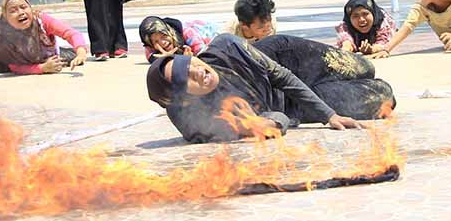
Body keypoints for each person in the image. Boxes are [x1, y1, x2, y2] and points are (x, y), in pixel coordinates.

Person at [146, 34, 395, 143]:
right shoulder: (198, 121)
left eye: (189, 64)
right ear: (185, 100)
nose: (197, 72)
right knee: (384, 95)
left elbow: (282, 76)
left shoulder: (227, 46)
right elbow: (278, 119)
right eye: (186, 78)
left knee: (364, 67)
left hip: (285, 57)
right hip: (288, 103)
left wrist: (329, 115)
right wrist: (262, 126)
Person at [0, 0, 87, 76]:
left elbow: (71, 33)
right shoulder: (1, 36)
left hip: (46, 56)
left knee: (72, 56)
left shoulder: (41, 21)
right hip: (11, 68)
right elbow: (14, 67)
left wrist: (81, 52)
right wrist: (42, 68)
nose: (21, 13)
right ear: (5, 17)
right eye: (13, 11)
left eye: (23, 7)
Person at [139, 16, 219, 63]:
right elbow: (150, 56)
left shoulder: (187, 33)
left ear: (169, 31)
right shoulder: (150, 44)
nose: (162, 42)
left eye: (164, 35)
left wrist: (190, 58)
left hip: (207, 31)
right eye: (156, 41)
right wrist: (164, 58)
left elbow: (204, 53)